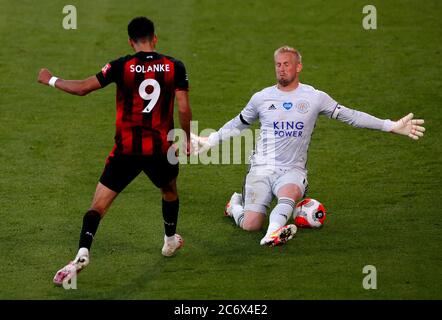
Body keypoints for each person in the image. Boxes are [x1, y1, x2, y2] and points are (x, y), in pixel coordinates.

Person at [192, 45, 425, 247]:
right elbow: (238, 124)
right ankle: (234, 207)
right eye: (278, 64)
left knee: (291, 191)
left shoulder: (315, 97)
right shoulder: (261, 98)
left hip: (293, 169)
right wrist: (210, 140)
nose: (281, 68)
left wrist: (390, 125)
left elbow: (351, 116)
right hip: (261, 167)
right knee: (251, 225)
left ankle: (273, 233)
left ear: (298, 67)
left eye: (286, 64)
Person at [37, 17, 192, 285]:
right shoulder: (174, 66)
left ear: (131, 41)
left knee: (97, 206)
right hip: (160, 150)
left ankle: (83, 253)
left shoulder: (122, 66)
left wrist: (50, 79)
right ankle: (169, 241)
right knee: (169, 191)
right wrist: (187, 138)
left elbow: (84, 88)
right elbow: (183, 108)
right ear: (154, 38)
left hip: (126, 151)